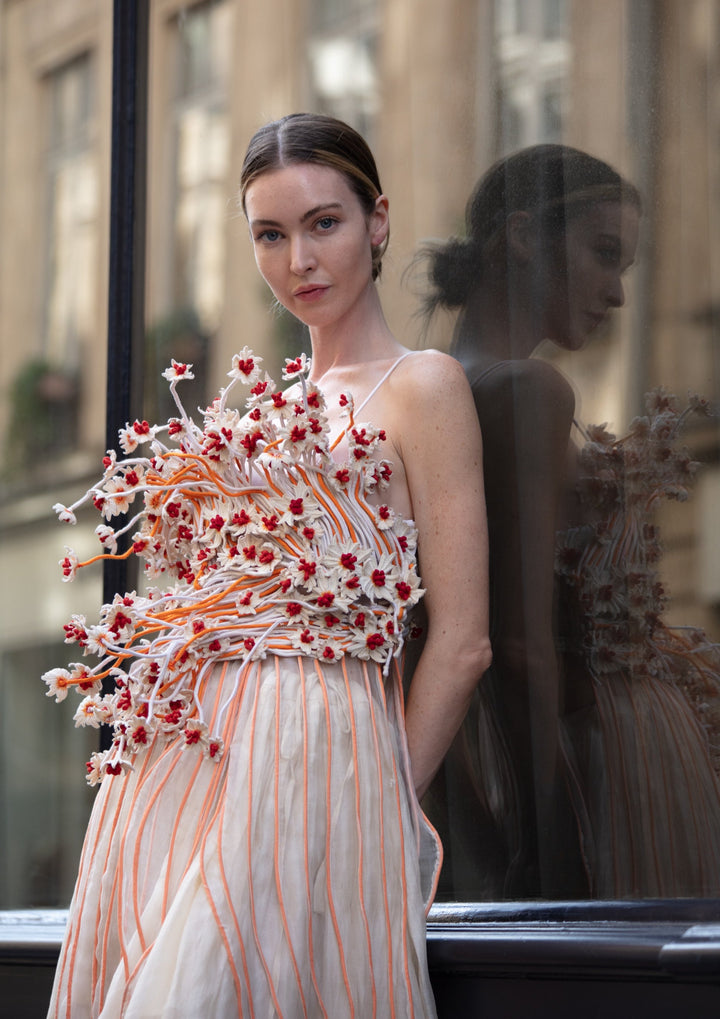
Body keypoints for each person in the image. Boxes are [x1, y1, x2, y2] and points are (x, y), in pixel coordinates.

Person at [46, 113, 491, 1018]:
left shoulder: (423, 384)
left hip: (320, 767)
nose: (300, 261)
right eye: (271, 234)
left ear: (378, 219)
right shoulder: (270, 406)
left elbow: (464, 643)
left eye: (324, 223)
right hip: (179, 772)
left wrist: (371, 793)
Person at [420, 143, 720, 900]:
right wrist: (548, 834)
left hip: (580, 757)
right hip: (597, 770)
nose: (617, 293)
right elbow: (518, 642)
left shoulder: (444, 392)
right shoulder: (525, 392)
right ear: (522, 236)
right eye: (604, 253)